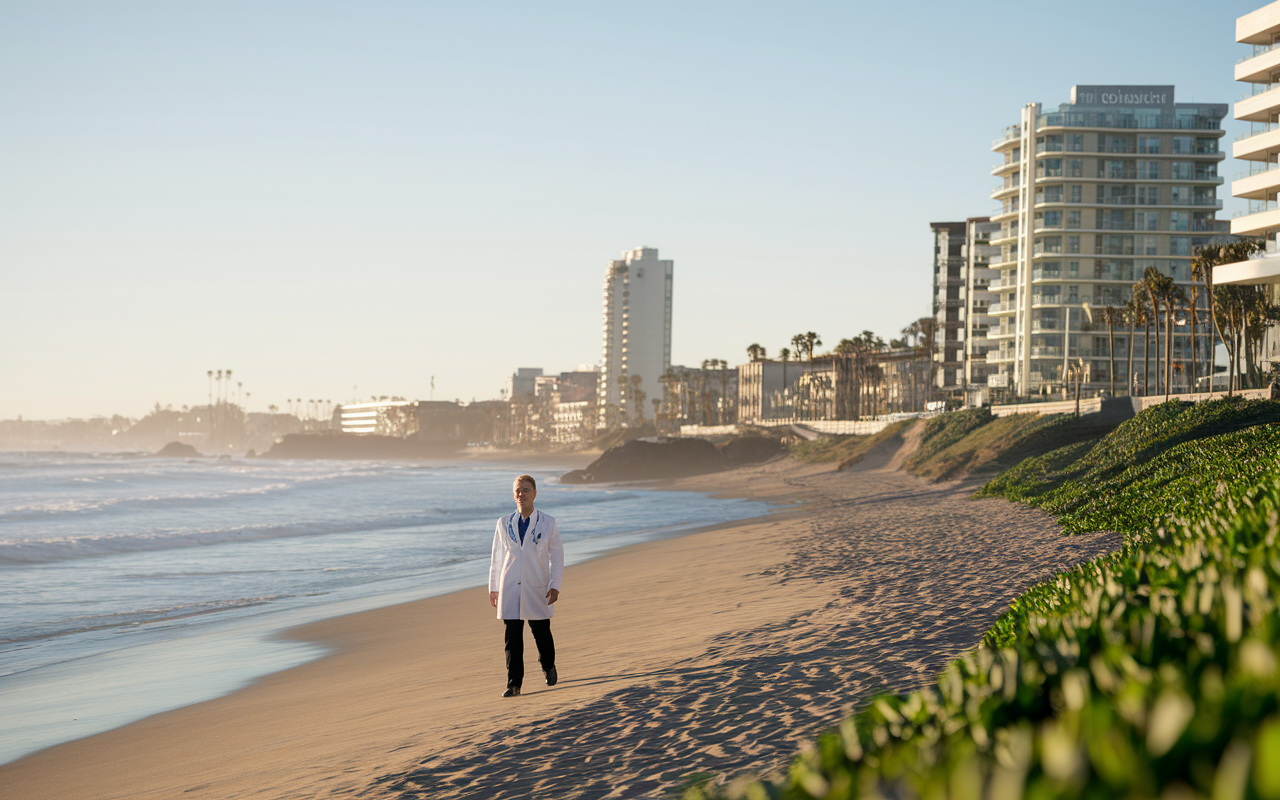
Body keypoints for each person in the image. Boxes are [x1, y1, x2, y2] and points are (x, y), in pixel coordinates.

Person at [489, 474, 563, 698]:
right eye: (518, 490)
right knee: (512, 638)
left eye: (526, 490)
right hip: (510, 586)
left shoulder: (547, 522)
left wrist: (555, 584)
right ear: (513, 494)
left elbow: (557, 556)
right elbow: (497, 557)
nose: (521, 494)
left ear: (535, 493)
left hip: (536, 585)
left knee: (541, 632)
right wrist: (494, 587)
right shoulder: (503, 523)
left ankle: (548, 665)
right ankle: (514, 683)